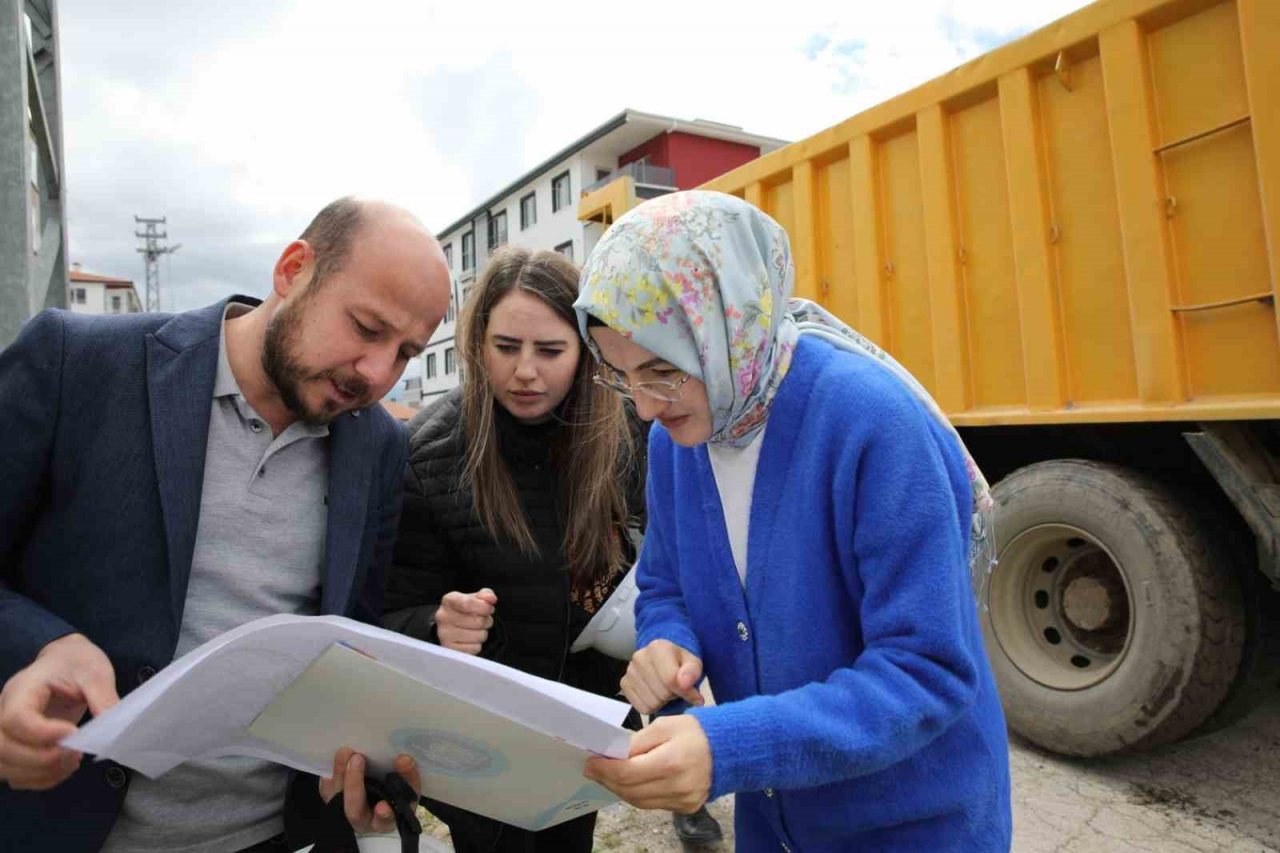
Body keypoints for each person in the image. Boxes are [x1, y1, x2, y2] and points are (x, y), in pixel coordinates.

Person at [0, 197, 451, 853]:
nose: (377, 374)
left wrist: (362, 775)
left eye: (406, 352)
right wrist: (42, 645)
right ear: (294, 269)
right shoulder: (78, 362)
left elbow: (348, 638)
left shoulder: (378, 446)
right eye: (365, 328)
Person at [577, 191, 1013, 852]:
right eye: (623, 374)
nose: (642, 407)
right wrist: (666, 647)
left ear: (728, 325)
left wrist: (729, 747)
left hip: (915, 825)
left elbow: (927, 669)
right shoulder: (677, 442)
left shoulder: (871, 423)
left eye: (663, 370)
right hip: (778, 827)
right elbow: (663, 584)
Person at [380, 246, 647, 853]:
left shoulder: (628, 429)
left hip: (585, 723)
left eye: (550, 351)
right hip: (479, 735)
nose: (526, 371)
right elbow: (390, 609)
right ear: (478, 345)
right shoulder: (428, 451)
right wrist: (435, 623)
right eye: (506, 348)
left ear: (585, 349)